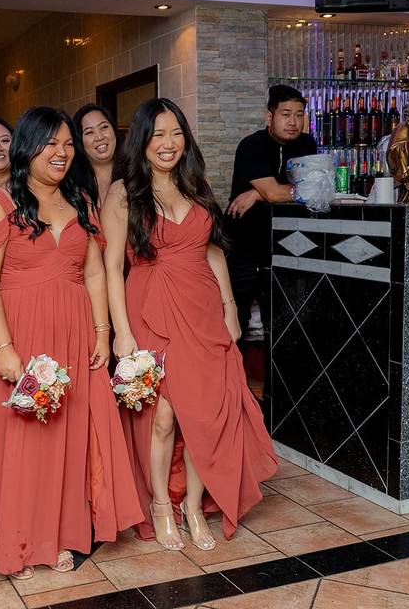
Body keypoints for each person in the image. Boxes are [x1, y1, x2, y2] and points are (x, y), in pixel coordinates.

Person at [0, 106, 142, 578]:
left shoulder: (81, 200)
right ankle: (17, 540)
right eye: (50, 144)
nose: (61, 153)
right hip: (19, 331)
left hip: (73, 331)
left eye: (67, 143)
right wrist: (3, 348)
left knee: (69, 435)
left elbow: (95, 270)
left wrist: (102, 331)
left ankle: (60, 533)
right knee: (21, 439)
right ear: (27, 148)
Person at [101, 98, 277, 552]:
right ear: (141, 140)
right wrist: (120, 330)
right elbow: (109, 266)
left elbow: (211, 250)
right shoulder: (123, 193)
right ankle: (162, 504)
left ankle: (193, 505)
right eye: (158, 134)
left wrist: (230, 306)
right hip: (151, 308)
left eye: (176, 132)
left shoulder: (194, 184)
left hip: (202, 310)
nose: (168, 143)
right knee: (163, 417)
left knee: (206, 415)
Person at [225, 85, 317, 339]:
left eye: (299, 115)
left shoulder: (307, 144)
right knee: (236, 324)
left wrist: (257, 193)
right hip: (243, 248)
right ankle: (235, 379)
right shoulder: (251, 146)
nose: (293, 122)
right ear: (269, 116)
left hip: (285, 247)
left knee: (283, 325)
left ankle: (277, 381)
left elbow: (316, 189)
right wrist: (272, 191)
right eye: (286, 114)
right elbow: (282, 193)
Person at [74, 103, 122, 204]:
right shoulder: (74, 188)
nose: (99, 137)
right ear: (80, 141)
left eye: (104, 127)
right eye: (89, 132)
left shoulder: (135, 174)